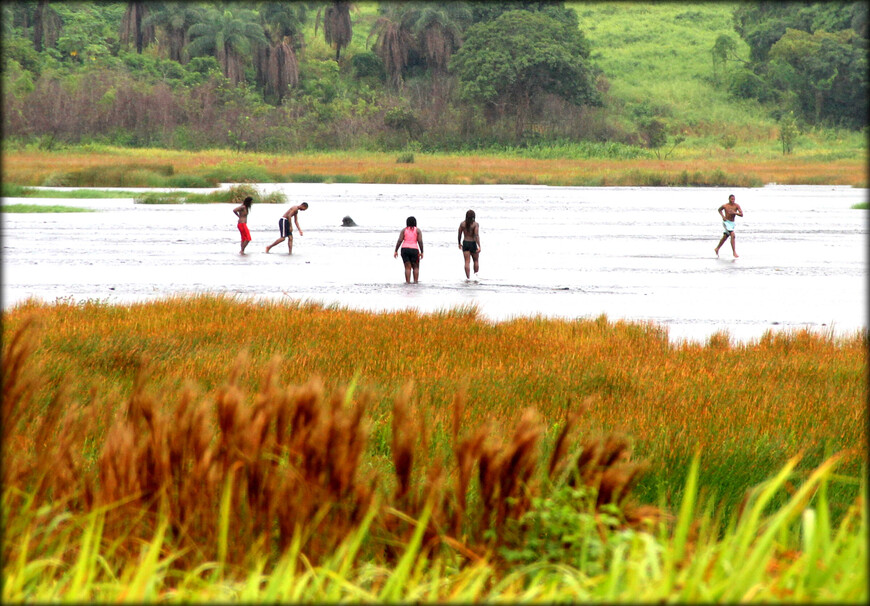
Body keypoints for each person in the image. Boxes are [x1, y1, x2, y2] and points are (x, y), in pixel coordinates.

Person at [394, 216, 424, 283]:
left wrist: (396, 250)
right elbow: (420, 241)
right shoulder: (418, 230)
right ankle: (415, 282)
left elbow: (400, 240)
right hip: (414, 250)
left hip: (404, 249)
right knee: (416, 267)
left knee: (407, 267)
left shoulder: (404, 230)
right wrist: (422, 252)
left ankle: (408, 282)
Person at [714, 194, 743, 258]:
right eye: (731, 199)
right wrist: (723, 216)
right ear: (729, 199)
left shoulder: (736, 206)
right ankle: (734, 252)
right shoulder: (725, 206)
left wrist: (735, 213)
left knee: (725, 236)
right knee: (732, 234)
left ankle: (717, 248)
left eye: (734, 199)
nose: (733, 200)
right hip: (726, 222)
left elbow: (741, 214)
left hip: (732, 223)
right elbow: (719, 210)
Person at [457, 209, 481, 280]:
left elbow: (459, 234)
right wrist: (479, 245)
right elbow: (476, 235)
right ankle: (476, 276)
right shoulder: (475, 224)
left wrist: (459, 243)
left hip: (466, 243)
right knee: (476, 260)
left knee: (467, 261)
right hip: (473, 243)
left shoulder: (462, 224)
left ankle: (468, 278)